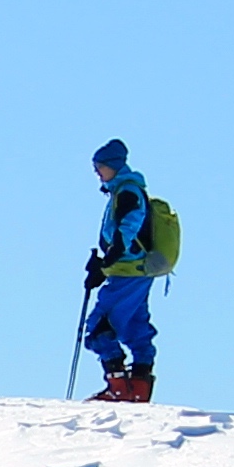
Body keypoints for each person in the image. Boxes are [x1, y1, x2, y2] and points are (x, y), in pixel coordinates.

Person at [82, 139, 163, 403]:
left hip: (128, 271)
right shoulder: (124, 189)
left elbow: (129, 226)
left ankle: (120, 389)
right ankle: (138, 387)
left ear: (114, 166)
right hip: (135, 270)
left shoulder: (127, 191)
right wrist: (105, 264)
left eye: (100, 166)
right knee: (134, 326)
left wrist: (109, 259)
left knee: (99, 327)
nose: (97, 172)